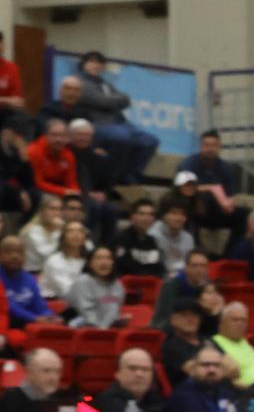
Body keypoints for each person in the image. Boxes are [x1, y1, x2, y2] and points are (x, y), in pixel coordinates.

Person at [75, 51, 159, 183]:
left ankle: (132, 176)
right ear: (83, 64)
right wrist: (113, 102)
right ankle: (115, 177)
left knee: (150, 141)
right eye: (91, 62)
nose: (95, 65)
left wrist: (111, 101)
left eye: (99, 63)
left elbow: (126, 99)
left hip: (120, 124)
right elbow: (102, 101)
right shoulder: (79, 83)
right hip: (98, 125)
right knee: (122, 137)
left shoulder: (105, 84)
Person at [183, 130, 246, 245]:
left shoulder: (227, 168)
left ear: (219, 147)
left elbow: (231, 195)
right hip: (197, 210)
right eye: (206, 145)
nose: (210, 149)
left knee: (244, 214)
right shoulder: (189, 164)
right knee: (193, 201)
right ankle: (195, 248)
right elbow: (184, 189)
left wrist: (229, 203)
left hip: (218, 211)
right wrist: (210, 188)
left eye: (214, 145)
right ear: (200, 147)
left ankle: (230, 255)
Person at [87, 346, 168, 412]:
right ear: (118, 373)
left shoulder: (157, 399)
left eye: (145, 369)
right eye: (132, 368)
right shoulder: (108, 402)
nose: (139, 374)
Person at [167, 343, 238, 412]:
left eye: (217, 365)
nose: (211, 370)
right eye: (205, 365)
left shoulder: (226, 389)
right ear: (193, 368)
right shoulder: (184, 394)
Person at [0, 349, 69, 412]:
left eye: (57, 371)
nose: (53, 377)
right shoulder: (10, 400)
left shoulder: (66, 399)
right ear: (28, 371)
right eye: (46, 371)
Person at [0, 236, 57, 327]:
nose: (15, 256)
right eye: (9, 252)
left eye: (19, 252)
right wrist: (34, 318)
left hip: (28, 323)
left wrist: (49, 316)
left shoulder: (29, 278)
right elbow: (7, 306)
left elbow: (39, 305)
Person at [209, 301, 254, 389]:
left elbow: (252, 362)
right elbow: (229, 380)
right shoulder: (214, 343)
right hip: (249, 393)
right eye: (235, 320)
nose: (240, 324)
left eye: (243, 320)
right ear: (222, 322)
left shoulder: (243, 341)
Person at [64, 246, 127, 329]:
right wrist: (103, 330)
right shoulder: (82, 282)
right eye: (98, 258)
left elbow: (113, 313)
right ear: (90, 264)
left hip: (108, 332)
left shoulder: (118, 286)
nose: (104, 262)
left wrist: (118, 320)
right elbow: (88, 314)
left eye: (108, 258)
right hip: (82, 331)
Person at [150, 250, 213, 330]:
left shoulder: (208, 288)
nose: (199, 270)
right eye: (195, 266)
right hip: (168, 331)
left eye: (203, 266)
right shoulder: (170, 287)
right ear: (186, 268)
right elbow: (165, 317)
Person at [24, 118, 79, 203]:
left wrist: (75, 194)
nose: (59, 139)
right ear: (46, 136)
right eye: (54, 135)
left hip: (57, 189)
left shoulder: (68, 155)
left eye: (62, 136)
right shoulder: (34, 151)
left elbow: (71, 181)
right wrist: (63, 192)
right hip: (33, 189)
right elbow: (37, 183)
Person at [160, 298, 211, 388]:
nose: (191, 319)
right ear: (173, 319)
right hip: (190, 393)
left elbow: (232, 366)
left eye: (195, 315)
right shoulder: (171, 346)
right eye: (185, 315)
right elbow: (198, 373)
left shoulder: (207, 340)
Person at [39, 221, 92, 301]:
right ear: (63, 237)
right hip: (53, 303)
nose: (76, 235)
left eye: (80, 231)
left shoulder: (89, 260)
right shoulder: (54, 261)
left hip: (82, 301)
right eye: (70, 231)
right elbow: (67, 292)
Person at [114, 200, 163, 280]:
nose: (146, 218)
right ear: (132, 217)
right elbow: (122, 267)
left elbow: (158, 267)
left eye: (150, 214)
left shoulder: (152, 241)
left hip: (149, 286)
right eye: (142, 214)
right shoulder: (121, 239)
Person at [0, 127, 37, 227]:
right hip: (7, 189)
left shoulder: (18, 152)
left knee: (35, 194)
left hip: (13, 191)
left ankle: (23, 227)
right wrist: (18, 191)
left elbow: (29, 182)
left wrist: (24, 159)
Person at [150, 200, 196, 278]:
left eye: (183, 214)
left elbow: (190, 265)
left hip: (183, 278)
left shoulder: (188, 238)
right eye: (174, 213)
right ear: (163, 216)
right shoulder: (153, 236)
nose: (179, 218)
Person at [21, 197, 62, 274]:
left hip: (53, 272)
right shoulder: (32, 230)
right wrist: (57, 232)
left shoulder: (61, 228)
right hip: (34, 273)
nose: (57, 213)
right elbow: (47, 255)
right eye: (52, 209)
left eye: (59, 209)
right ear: (42, 211)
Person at [0, 33, 28, 138]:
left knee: (25, 119)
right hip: (5, 109)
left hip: (6, 114)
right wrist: (6, 101)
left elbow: (16, 100)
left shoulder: (12, 68)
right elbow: (10, 101)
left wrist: (6, 102)